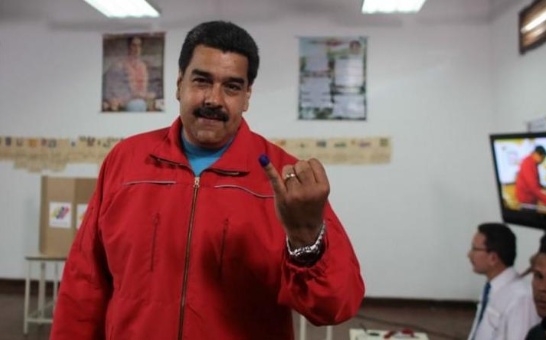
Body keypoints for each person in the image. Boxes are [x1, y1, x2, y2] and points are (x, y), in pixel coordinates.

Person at [51, 21, 365, 339]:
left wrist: (306, 241)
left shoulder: (286, 181)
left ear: (246, 97)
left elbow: (335, 307)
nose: (213, 99)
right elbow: (84, 282)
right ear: (178, 85)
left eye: (231, 86)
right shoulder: (127, 161)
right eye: (201, 81)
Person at [467, 223, 539, 340]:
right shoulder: (492, 288)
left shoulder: (521, 298)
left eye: (475, 249)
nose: (469, 255)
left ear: (493, 258)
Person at [103, 36, 154, 112]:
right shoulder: (120, 65)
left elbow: (144, 89)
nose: (136, 48)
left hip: (140, 101)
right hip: (126, 102)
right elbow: (115, 90)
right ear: (129, 47)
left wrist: (145, 95)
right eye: (134, 45)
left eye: (139, 46)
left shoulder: (143, 66)